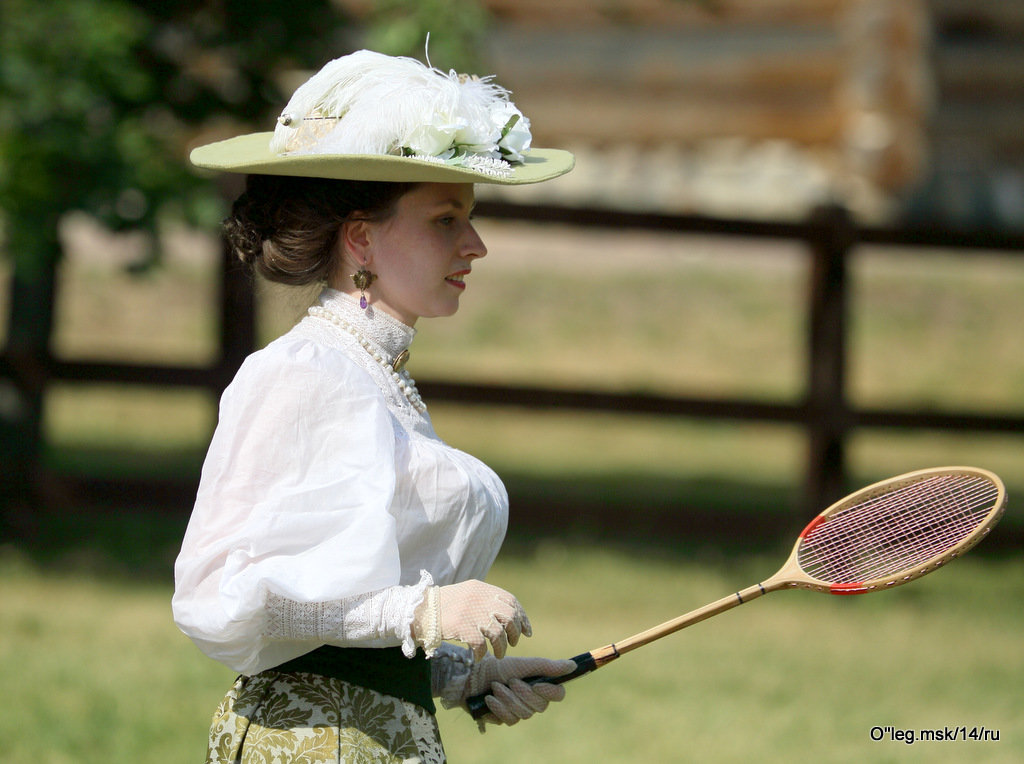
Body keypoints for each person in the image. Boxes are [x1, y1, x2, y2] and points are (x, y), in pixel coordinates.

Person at [172, 49, 577, 763]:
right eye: (445, 220)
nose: (476, 245)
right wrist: (427, 611)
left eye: (470, 218)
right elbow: (222, 589)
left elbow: (354, 610)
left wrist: (464, 675)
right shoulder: (306, 372)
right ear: (361, 237)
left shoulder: (375, 376)